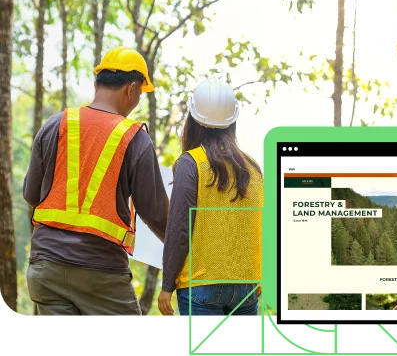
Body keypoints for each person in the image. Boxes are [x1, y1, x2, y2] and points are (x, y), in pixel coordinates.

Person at [24, 46, 169, 317]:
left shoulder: (55, 124)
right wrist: (184, 253)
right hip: (101, 272)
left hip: (46, 268)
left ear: (96, 83)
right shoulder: (134, 138)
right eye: (139, 93)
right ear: (131, 89)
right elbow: (157, 215)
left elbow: (32, 194)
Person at [158, 77, 263, 317]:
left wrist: (167, 285)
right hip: (246, 286)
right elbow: (262, 228)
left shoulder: (191, 163)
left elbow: (180, 228)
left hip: (201, 286)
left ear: (194, 121)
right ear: (233, 121)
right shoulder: (253, 169)